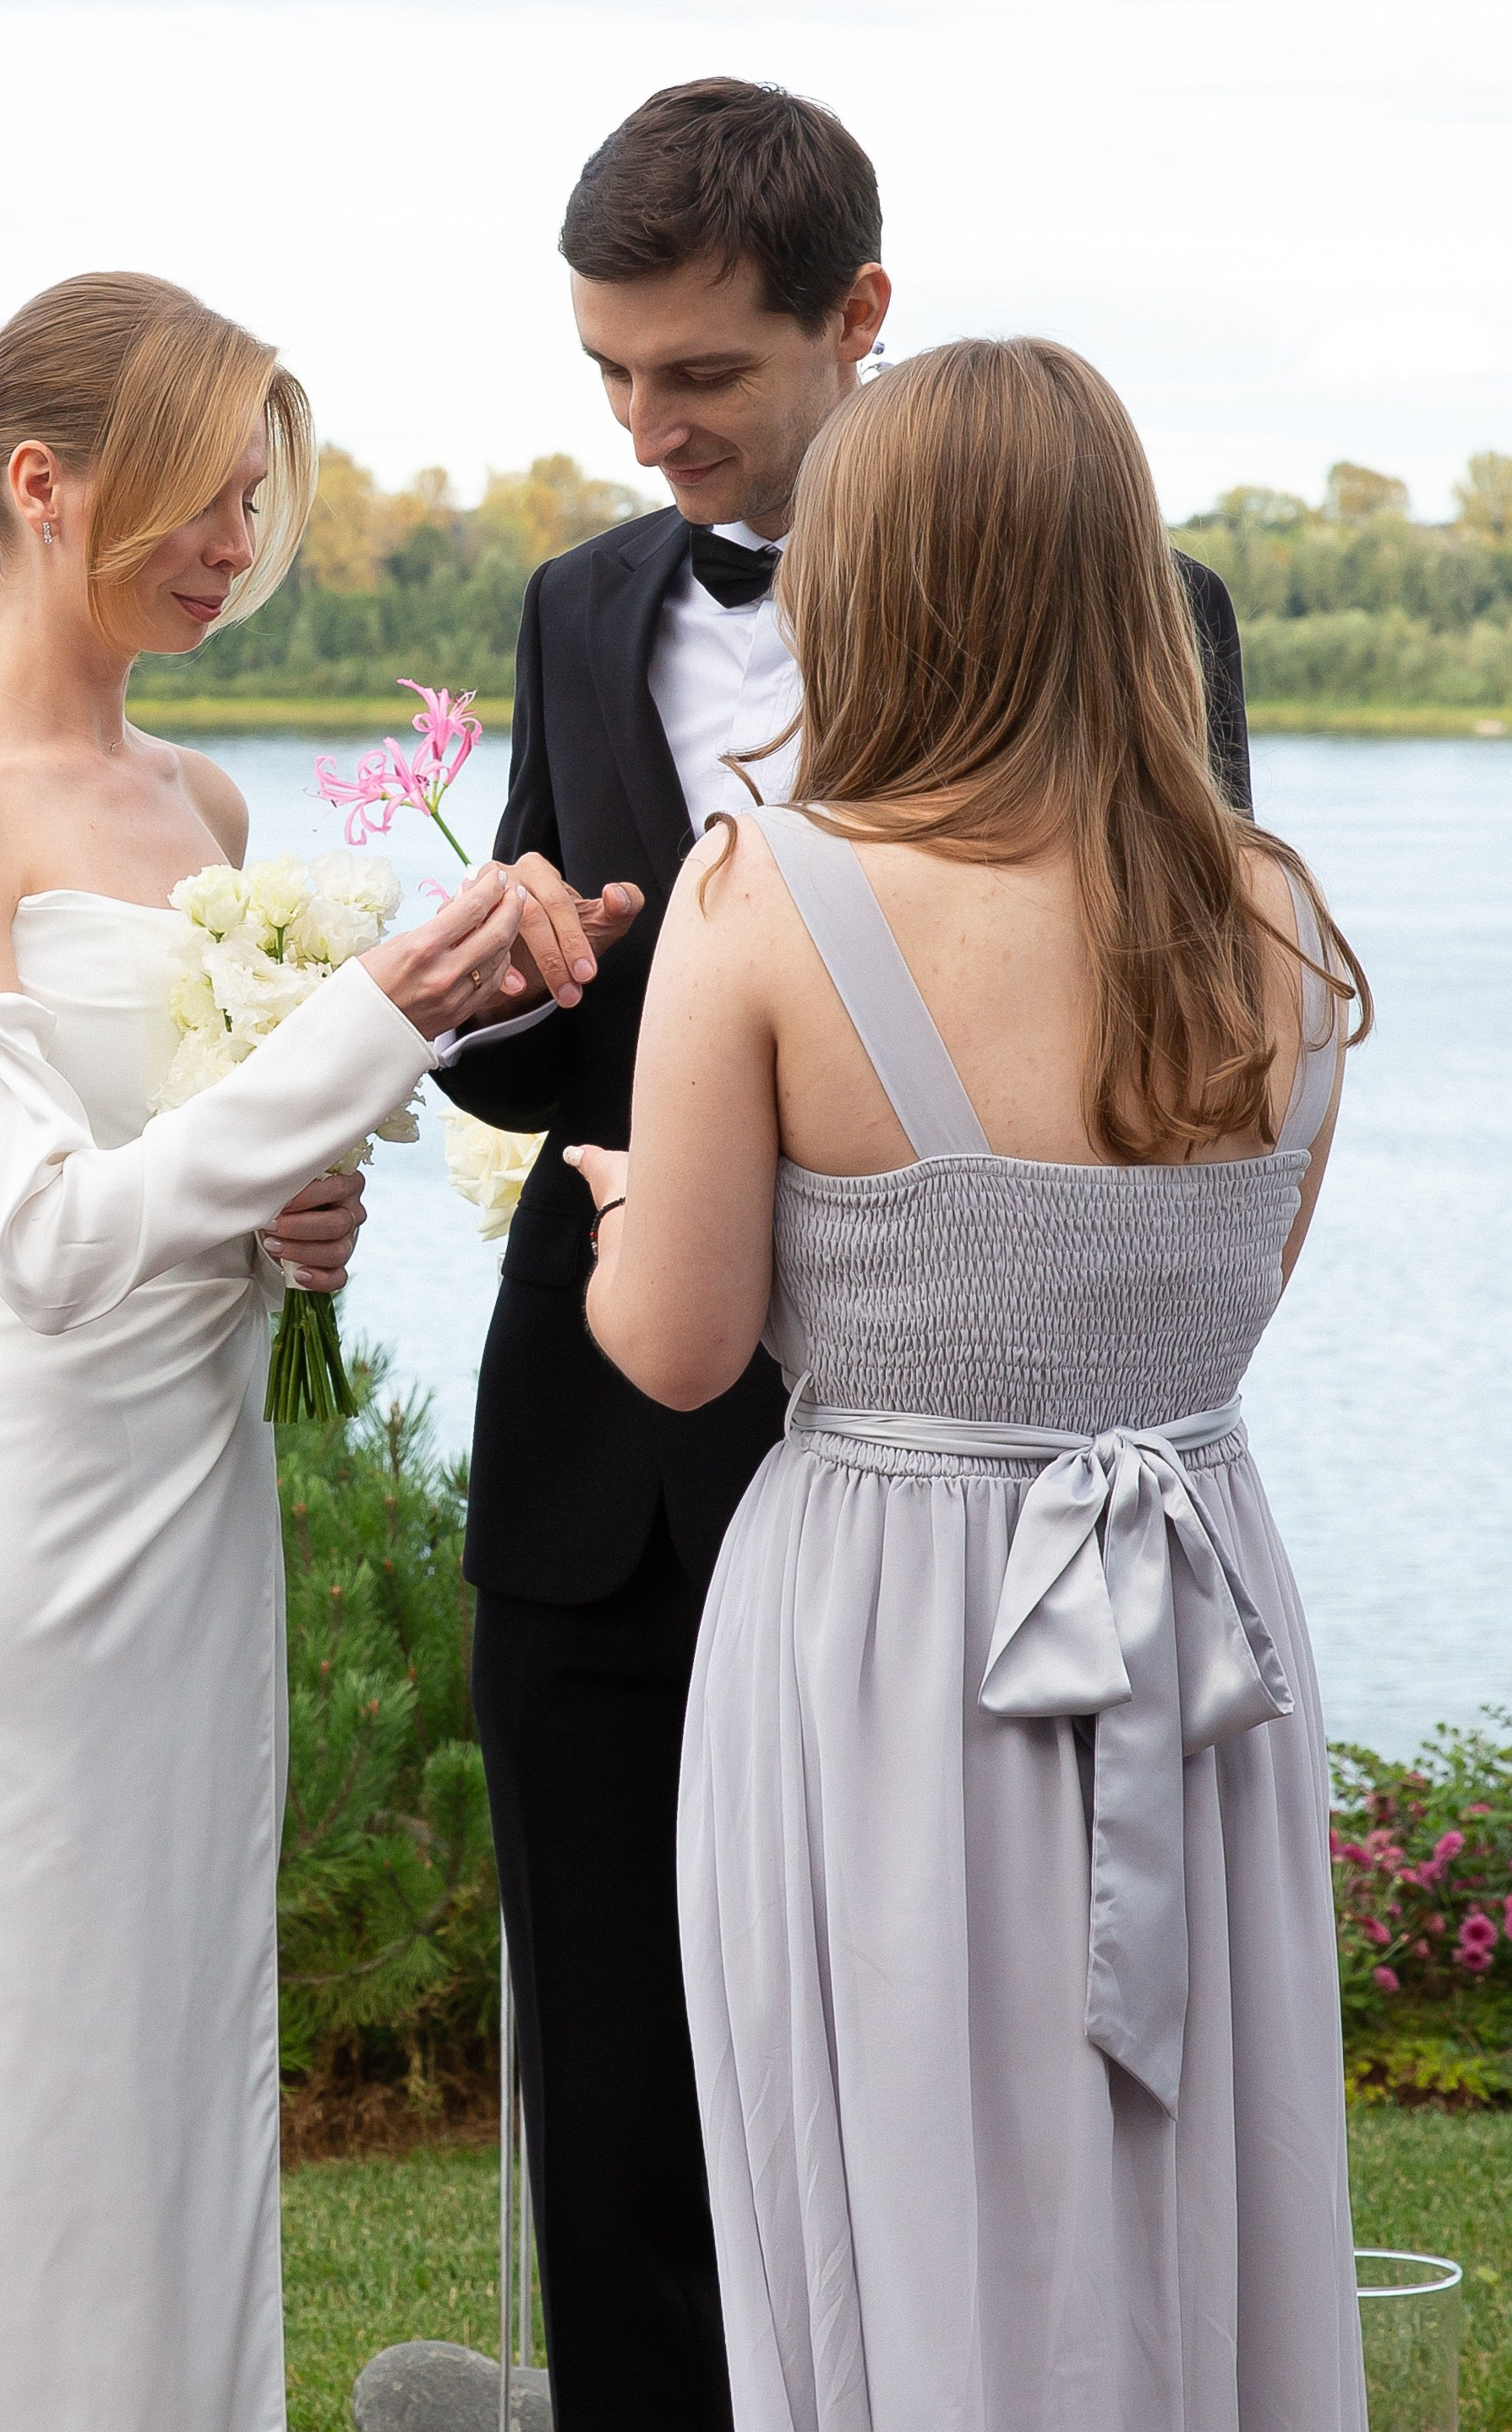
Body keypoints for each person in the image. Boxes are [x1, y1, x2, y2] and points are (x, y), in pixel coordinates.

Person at [439, 81, 1253, 2430]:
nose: (642, 422)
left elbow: (1145, 1052)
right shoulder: (583, 606)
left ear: (856, 317)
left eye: (694, 371)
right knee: (615, 2074)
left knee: (972, 2088)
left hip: (961, 1487)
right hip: (605, 1443)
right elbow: (549, 1084)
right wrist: (511, 981)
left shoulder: (1140, 620)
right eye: (607, 370)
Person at [0, 273, 527, 2432]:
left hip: (191, 1528)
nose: (237, 548)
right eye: (203, 498)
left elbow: (184, 1191)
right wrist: (382, 1015)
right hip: (3, 1556)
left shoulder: (205, 812)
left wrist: (296, 1226)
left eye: (258, 504)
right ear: (41, 486)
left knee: (169, 2085)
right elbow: (52, 1243)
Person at [569, 334, 1367, 2432]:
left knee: (887, 2187)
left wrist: (619, 1220)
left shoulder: (769, 895)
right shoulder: (1272, 913)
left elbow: (677, 1346)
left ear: (878, 582)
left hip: (886, 1638)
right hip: (1194, 1617)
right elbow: (1224, 1288)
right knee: (1182, 2174)